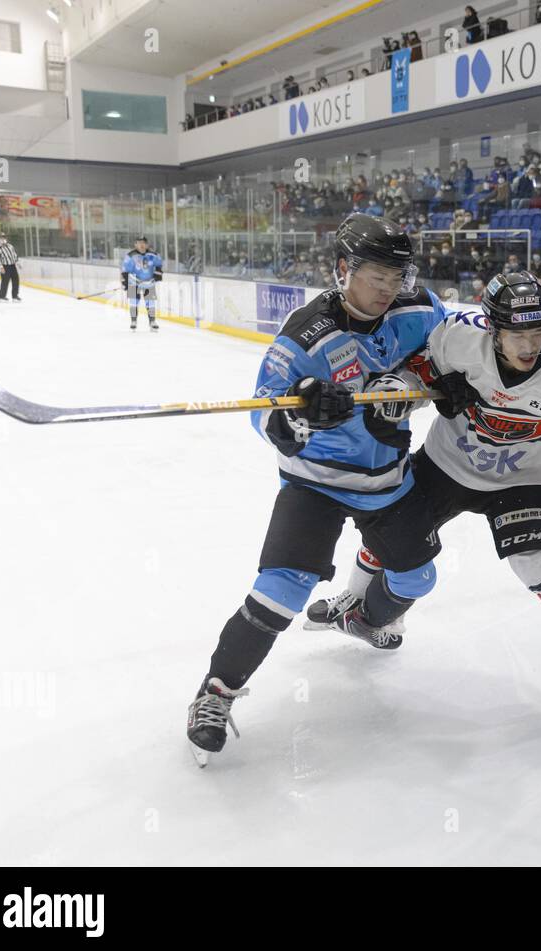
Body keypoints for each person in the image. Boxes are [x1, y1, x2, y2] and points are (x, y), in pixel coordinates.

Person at [184, 215, 449, 764]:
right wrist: (304, 413)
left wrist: (413, 386)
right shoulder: (306, 335)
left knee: (419, 577)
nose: (387, 288)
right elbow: (265, 418)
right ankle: (216, 691)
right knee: (282, 589)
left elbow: (447, 357)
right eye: (376, 274)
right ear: (343, 269)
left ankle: (364, 616)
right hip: (316, 484)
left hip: (388, 482)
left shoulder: (420, 308)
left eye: (396, 275)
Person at [312, 273, 541, 719]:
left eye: (538, 332)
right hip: (447, 464)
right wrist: (400, 390)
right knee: (388, 535)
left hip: (524, 481)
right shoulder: (461, 337)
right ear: (492, 327)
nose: (528, 346)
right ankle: (357, 600)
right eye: (516, 334)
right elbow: (416, 372)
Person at [122, 236, 164, 332]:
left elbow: (159, 266)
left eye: (143, 243)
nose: (141, 245)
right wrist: (125, 282)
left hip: (148, 281)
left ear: (147, 244)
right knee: (134, 302)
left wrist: (158, 274)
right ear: (135, 244)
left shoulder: (153, 255)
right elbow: (125, 270)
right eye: (139, 243)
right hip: (133, 281)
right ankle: (133, 321)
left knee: (151, 302)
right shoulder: (130, 256)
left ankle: (152, 321)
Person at [0, 233, 21, 303]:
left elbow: (14, 254)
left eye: (3, 237)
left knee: (16, 280)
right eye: (1, 238)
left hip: (12, 265)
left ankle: (15, 296)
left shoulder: (10, 246)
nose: (2, 239)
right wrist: (1, 267)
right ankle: (2, 297)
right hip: (5, 266)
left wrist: (17, 263)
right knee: (5, 281)